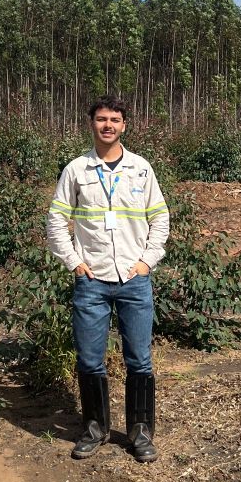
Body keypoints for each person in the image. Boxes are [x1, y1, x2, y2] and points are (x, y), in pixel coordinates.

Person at [46, 96, 170, 463]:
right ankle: (95, 429)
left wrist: (147, 262)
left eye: (115, 119)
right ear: (91, 124)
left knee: (140, 361)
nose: (108, 126)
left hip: (134, 280)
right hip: (92, 280)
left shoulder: (142, 170)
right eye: (102, 119)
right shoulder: (76, 170)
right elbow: (56, 221)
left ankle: (141, 433)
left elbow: (160, 219)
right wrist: (73, 262)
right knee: (89, 360)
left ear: (124, 125)